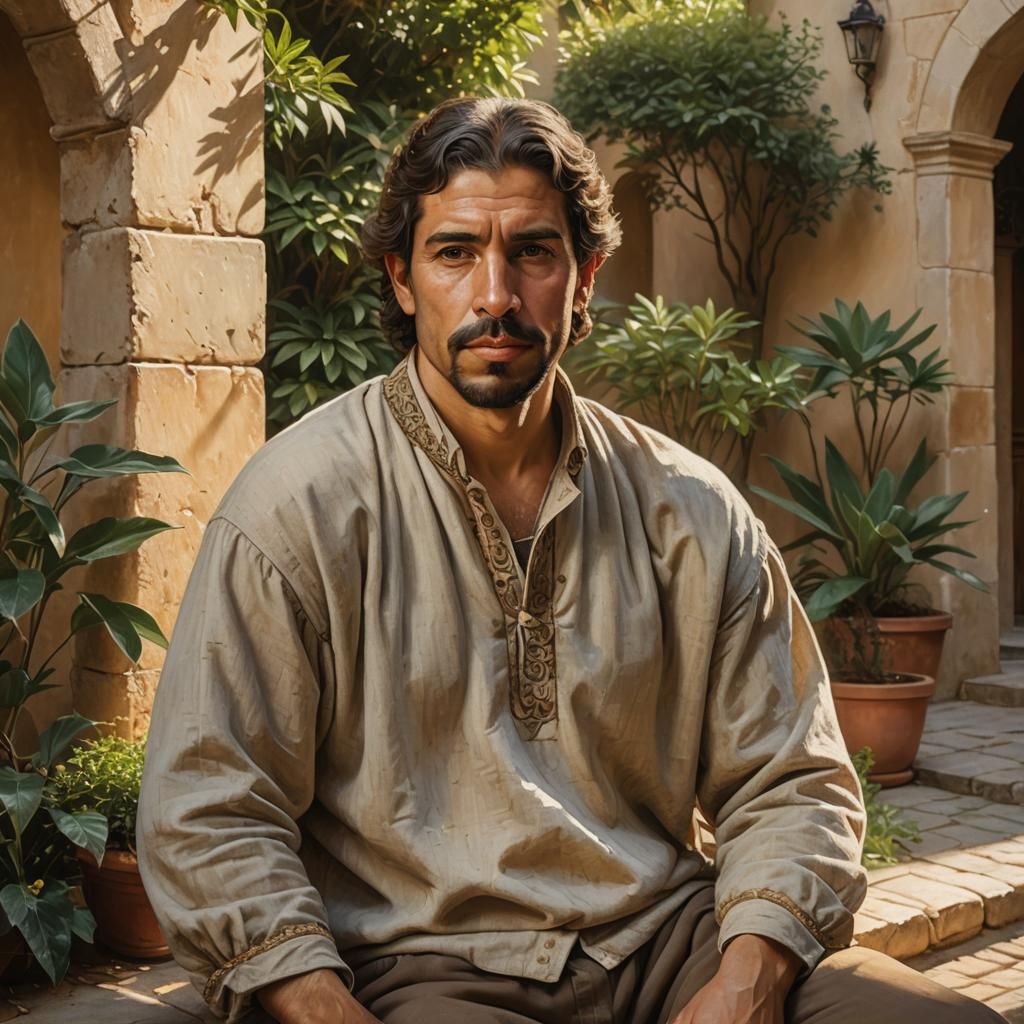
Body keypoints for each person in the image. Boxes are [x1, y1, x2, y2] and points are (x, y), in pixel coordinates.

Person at [137, 97, 1003, 1024]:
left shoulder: (692, 509)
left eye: (534, 253)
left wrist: (747, 982)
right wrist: (318, 1005)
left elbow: (793, 780)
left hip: (669, 945)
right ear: (400, 277)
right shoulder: (295, 506)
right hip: (419, 965)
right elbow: (210, 808)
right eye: (456, 251)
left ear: (585, 277)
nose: (496, 296)